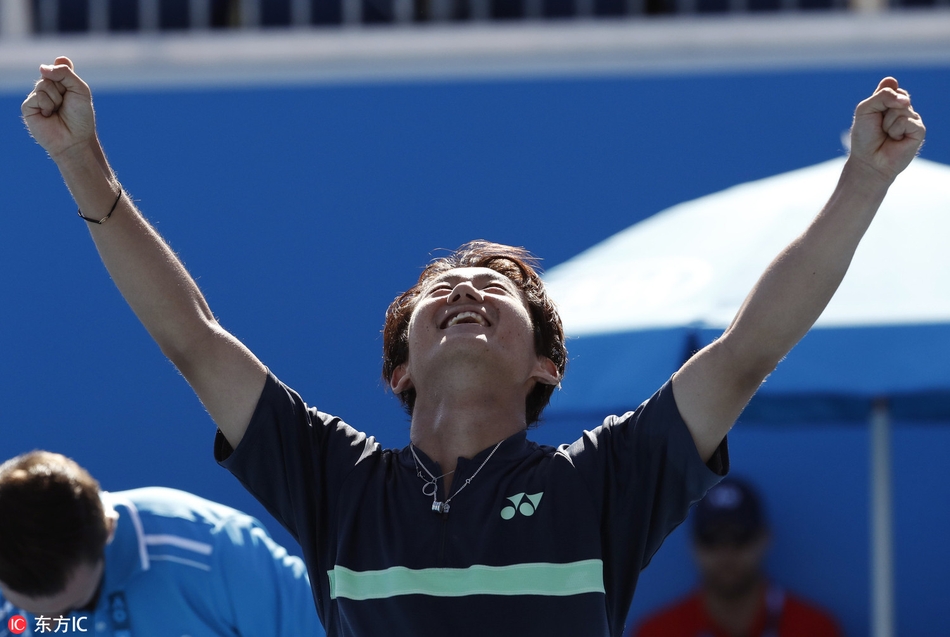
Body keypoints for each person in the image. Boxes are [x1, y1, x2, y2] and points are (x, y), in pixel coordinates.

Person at [20, 57, 925, 637]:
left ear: (545, 366)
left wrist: (864, 182)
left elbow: (749, 348)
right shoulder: (337, 484)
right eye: (438, 291)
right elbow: (191, 335)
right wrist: (80, 165)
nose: (463, 289)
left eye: (496, 290)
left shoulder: (603, 484)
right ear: (399, 370)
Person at [0, 450, 323, 637]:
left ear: (109, 527)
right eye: (35, 614)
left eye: (74, 608)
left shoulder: (217, 549)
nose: (50, 626)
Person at [628, 478, 841, 637]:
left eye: (741, 537)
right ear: (693, 544)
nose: (726, 553)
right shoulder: (657, 632)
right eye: (711, 539)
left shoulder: (815, 629)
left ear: (765, 539)